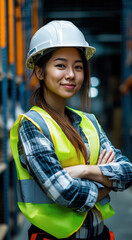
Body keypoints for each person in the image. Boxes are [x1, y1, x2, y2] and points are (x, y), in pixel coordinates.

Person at [10, 20, 132, 240]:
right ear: (39, 71)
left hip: (98, 234)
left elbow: (127, 172)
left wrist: (84, 171)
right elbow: (66, 193)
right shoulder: (32, 125)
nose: (71, 75)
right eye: (60, 65)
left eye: (77, 66)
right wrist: (104, 184)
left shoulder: (89, 122)